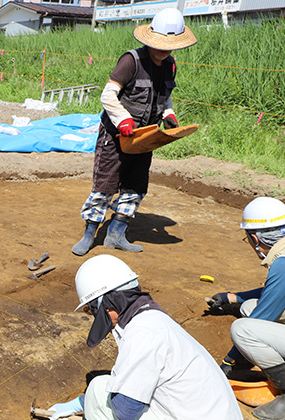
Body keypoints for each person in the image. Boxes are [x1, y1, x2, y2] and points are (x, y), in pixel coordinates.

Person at [48, 255, 247, 420]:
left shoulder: (142, 334)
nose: (90, 315)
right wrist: (78, 403)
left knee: (100, 387)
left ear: (108, 303)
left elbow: (125, 407)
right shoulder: (155, 320)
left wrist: (87, 402)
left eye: (91, 309)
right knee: (122, 391)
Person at [71, 8, 197, 256]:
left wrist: (167, 114)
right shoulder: (131, 61)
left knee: (135, 186)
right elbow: (108, 95)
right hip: (116, 135)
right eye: (160, 44)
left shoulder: (170, 64)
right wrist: (124, 120)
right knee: (105, 186)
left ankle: (117, 234)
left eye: (170, 45)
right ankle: (90, 233)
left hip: (145, 137)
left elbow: (165, 96)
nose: (164, 50)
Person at [208, 196, 285, 420]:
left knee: (243, 329)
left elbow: (262, 318)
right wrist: (233, 298)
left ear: (254, 237)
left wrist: (229, 361)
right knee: (248, 307)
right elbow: (282, 289)